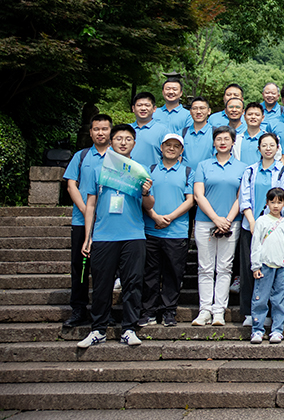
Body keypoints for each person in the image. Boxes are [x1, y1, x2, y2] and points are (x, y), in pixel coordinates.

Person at [76, 124, 153, 348]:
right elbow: (91, 204)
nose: (123, 142)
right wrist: (88, 236)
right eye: (119, 138)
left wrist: (146, 192)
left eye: (128, 139)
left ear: (134, 144)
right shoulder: (97, 169)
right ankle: (98, 329)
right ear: (111, 142)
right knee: (101, 284)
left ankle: (129, 328)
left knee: (133, 283)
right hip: (103, 235)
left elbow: (149, 204)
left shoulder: (139, 170)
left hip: (133, 234)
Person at [191, 126, 248, 327]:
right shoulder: (203, 165)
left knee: (225, 267)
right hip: (205, 221)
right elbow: (198, 195)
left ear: (233, 142)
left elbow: (242, 196)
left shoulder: (242, 167)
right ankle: (204, 309)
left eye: (226, 139)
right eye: (218, 139)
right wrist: (216, 219)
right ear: (213, 142)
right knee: (205, 267)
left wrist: (227, 220)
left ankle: (219, 311)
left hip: (231, 222)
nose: (222, 142)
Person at [62, 114, 112, 328]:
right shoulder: (81, 156)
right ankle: (79, 309)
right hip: (81, 221)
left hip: (109, 223)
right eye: (96, 129)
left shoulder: (117, 157)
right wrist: (85, 211)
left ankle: (104, 311)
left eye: (105, 129)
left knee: (106, 269)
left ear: (111, 131)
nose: (100, 133)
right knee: (79, 267)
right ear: (90, 132)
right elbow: (71, 185)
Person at [140, 133, 194, 328]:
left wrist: (169, 217)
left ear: (181, 150)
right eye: (168, 145)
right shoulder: (149, 170)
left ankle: (169, 311)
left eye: (176, 146)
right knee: (150, 273)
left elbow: (190, 200)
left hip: (176, 231)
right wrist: (154, 216)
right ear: (161, 148)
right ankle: (148, 311)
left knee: (173, 273)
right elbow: (143, 196)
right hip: (151, 229)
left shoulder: (188, 171)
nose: (171, 148)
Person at [237, 132, 284, 326]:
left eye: (272, 145)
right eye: (264, 145)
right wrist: (252, 222)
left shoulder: (283, 171)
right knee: (250, 268)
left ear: (277, 148)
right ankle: (249, 314)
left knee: (271, 270)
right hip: (250, 225)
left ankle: (269, 314)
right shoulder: (250, 171)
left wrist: (266, 223)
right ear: (258, 148)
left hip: (273, 228)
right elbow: (244, 198)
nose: (268, 148)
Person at [248, 187, 284, 344]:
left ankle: (277, 330)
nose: (275, 206)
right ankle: (257, 329)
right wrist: (255, 266)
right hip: (264, 265)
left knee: (279, 300)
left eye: (279, 202)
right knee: (260, 298)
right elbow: (256, 244)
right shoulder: (261, 221)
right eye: (272, 202)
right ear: (267, 203)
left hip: (280, 266)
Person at [130, 92, 168, 169]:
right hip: (126, 174)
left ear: (154, 109)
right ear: (133, 108)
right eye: (139, 105)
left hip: (152, 174)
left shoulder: (163, 131)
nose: (143, 108)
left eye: (147, 105)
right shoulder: (126, 129)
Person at [181, 97, 214, 169]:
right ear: (190, 112)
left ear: (209, 111)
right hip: (185, 174)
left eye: (202, 108)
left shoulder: (215, 133)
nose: (198, 112)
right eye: (195, 108)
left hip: (207, 174)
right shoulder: (182, 133)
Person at [235, 102, 267, 166]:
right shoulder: (236, 140)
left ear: (262, 118)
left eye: (257, 115)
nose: (253, 117)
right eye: (250, 114)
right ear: (244, 117)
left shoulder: (269, 139)